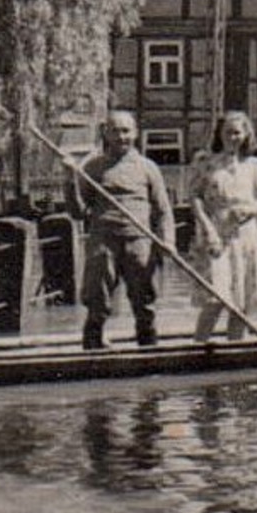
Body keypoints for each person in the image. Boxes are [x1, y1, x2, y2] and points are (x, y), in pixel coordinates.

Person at [68, 110, 176, 350]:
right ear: (106, 133)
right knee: (97, 300)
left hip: (139, 241)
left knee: (144, 302)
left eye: (126, 131)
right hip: (103, 242)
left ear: (135, 133)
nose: (121, 136)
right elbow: (77, 212)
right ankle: (93, 350)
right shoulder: (93, 168)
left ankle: (149, 351)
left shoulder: (148, 168)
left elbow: (163, 210)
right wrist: (70, 180)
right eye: (115, 130)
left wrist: (168, 240)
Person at [190, 110, 257, 342]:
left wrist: (252, 209)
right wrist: (208, 230)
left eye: (237, 133)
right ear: (220, 134)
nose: (233, 137)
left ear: (246, 134)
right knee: (215, 298)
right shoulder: (206, 162)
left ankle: (236, 348)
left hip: (246, 236)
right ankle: (197, 349)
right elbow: (195, 198)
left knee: (242, 301)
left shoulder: (255, 165)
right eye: (228, 132)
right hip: (216, 234)